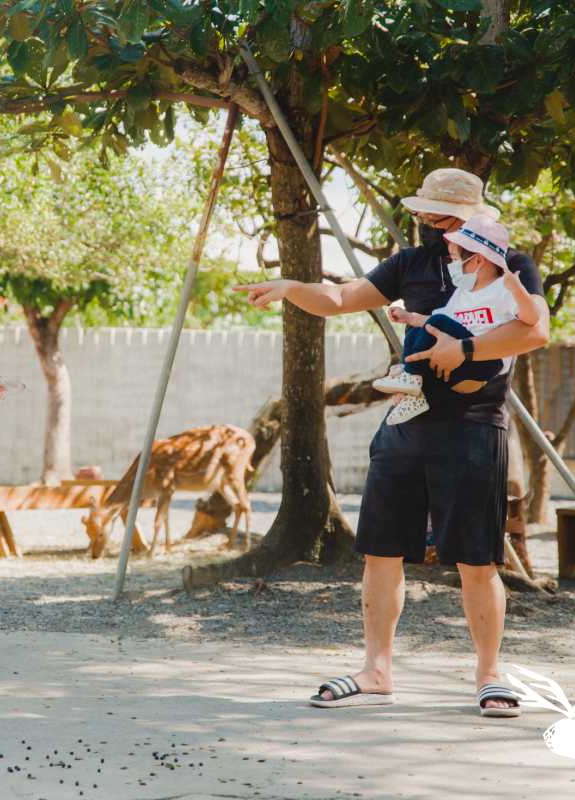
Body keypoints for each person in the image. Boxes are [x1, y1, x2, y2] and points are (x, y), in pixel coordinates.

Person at [235, 167, 549, 717]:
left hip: (474, 424)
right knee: (381, 552)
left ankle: (490, 675)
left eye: (440, 213)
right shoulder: (412, 263)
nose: (427, 220)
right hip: (407, 422)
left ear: (472, 216)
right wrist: (290, 288)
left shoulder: (509, 262)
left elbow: (535, 330)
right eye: (424, 212)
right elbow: (339, 297)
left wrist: (467, 351)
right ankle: (376, 670)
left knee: (477, 560)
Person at [372, 215, 540, 424]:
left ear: (478, 260)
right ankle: (413, 392)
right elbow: (438, 320)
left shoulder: (502, 288)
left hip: (486, 361)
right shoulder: (463, 292)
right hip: (459, 358)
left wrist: (518, 290)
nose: (452, 264)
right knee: (417, 331)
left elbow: (532, 318)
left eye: (455, 259)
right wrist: (410, 317)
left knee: (437, 323)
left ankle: (410, 377)